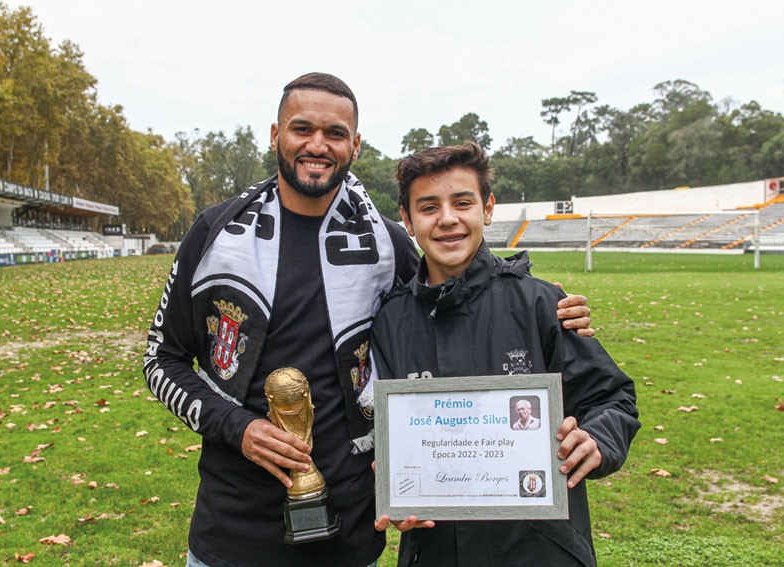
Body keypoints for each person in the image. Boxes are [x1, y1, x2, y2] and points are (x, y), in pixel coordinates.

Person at [143, 73, 593, 567]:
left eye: (335, 133)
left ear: (354, 145)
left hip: (351, 532)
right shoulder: (216, 233)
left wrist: (542, 299)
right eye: (301, 128)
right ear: (275, 136)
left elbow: (458, 283)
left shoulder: (384, 241)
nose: (318, 144)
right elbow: (161, 360)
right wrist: (236, 427)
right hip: (233, 529)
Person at [371, 142, 640, 567]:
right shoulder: (390, 322)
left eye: (463, 202)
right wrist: (392, 483)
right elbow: (382, 433)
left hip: (541, 548)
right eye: (428, 207)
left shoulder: (542, 305)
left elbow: (613, 397)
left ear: (488, 208)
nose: (447, 219)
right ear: (406, 219)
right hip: (436, 550)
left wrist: (597, 439)